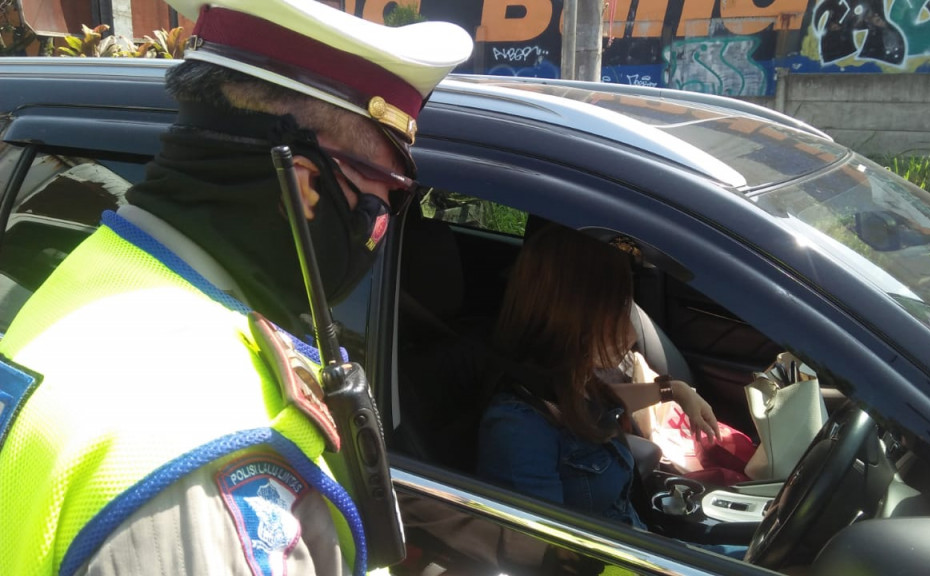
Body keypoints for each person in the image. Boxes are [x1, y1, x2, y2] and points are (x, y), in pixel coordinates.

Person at [0, 1, 472, 575]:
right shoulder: (213, 463)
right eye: (387, 194)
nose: (385, 222)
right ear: (306, 187)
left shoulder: (95, 277)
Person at [476, 224, 721, 529]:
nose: (631, 333)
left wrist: (675, 391)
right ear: (571, 314)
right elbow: (544, 547)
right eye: (617, 311)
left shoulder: (565, 379)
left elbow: (601, 400)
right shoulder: (519, 430)